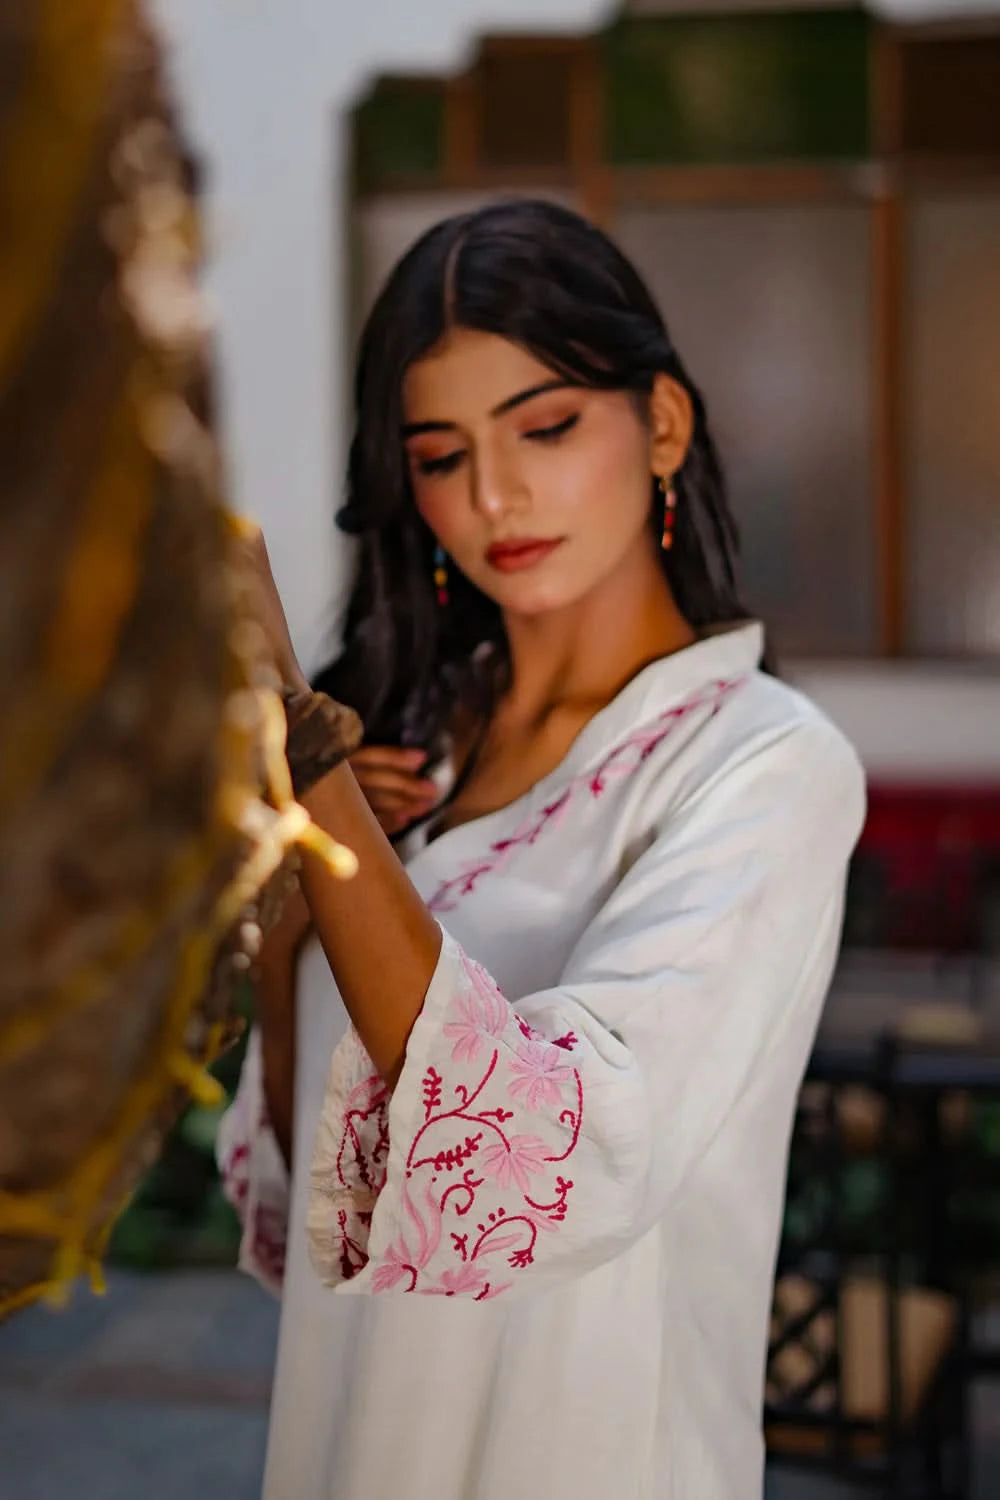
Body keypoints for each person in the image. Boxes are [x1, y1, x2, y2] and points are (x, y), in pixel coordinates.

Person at [218, 199, 866, 1500]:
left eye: (548, 426)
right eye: (442, 455)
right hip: (347, 1449)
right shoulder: (416, 754)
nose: (495, 495)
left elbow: (546, 1165)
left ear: (663, 425)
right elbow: (327, 1214)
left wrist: (310, 771)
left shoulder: (763, 765)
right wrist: (294, 916)